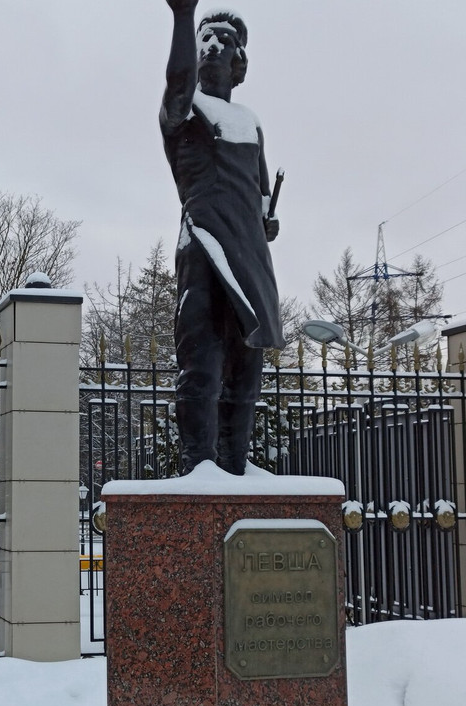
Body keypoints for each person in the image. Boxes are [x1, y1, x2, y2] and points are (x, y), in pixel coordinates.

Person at [161, 0, 284, 476]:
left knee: (246, 371)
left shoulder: (250, 122)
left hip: (251, 257)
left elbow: (259, 191)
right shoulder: (184, 108)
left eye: (223, 40)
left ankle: (237, 466)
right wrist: (182, 17)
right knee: (203, 365)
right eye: (204, 39)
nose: (212, 45)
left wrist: (267, 220)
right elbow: (176, 83)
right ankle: (201, 468)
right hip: (204, 248)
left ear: (238, 63)